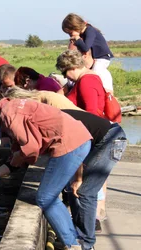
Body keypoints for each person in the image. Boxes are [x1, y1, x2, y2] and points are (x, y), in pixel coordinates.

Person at [0, 85, 92, 250]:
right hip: (78, 138)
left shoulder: (9, 114)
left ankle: (73, 244)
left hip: (69, 144)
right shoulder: (14, 105)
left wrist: (19, 155)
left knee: (45, 198)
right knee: (49, 196)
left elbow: (31, 148)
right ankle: (74, 241)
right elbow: (17, 159)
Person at [56, 49, 109, 230]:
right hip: (87, 136)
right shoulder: (84, 80)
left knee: (86, 181)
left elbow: (92, 113)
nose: (65, 76)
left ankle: (90, 222)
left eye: (64, 72)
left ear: (71, 67)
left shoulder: (86, 81)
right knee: (88, 180)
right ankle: (90, 220)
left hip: (89, 137)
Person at [62, 109, 126, 250]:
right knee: (71, 188)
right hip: (101, 140)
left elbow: (75, 149)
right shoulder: (52, 115)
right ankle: (78, 235)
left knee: (85, 190)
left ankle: (86, 244)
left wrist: (78, 178)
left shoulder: (58, 121)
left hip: (111, 138)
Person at [62, 13, 114, 93]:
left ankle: (97, 91)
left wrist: (78, 39)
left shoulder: (90, 31)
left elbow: (85, 48)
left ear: (75, 27)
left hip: (102, 57)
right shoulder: (85, 32)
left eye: (70, 33)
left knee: (94, 74)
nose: (70, 36)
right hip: (97, 57)